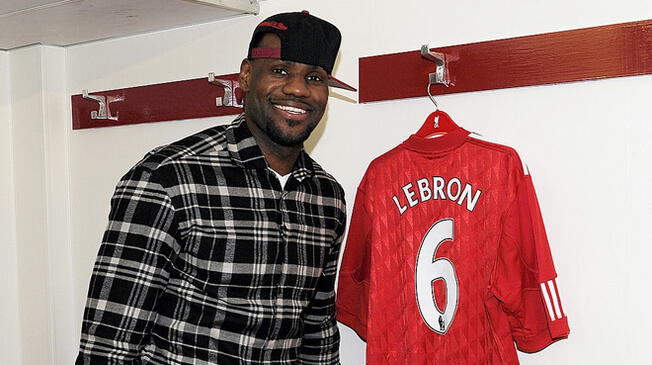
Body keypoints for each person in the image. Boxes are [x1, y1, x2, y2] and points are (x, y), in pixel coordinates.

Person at [76, 11, 354, 365]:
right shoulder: (168, 177)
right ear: (247, 75)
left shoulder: (326, 196)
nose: (298, 89)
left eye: (313, 77)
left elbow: (318, 329)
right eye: (280, 71)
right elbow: (108, 344)